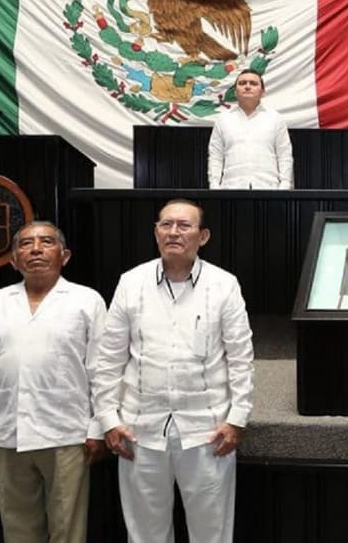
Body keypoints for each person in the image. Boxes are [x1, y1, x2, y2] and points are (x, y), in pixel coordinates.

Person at [92, 199, 255, 543]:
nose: (174, 232)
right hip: (140, 430)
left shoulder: (223, 284)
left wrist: (237, 418)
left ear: (203, 236)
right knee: (145, 535)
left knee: (211, 534)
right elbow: (109, 358)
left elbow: (241, 357)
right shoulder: (131, 282)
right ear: (156, 232)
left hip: (207, 431)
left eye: (184, 225)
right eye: (166, 225)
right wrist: (108, 418)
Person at [0, 221, 108, 543]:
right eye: (26, 244)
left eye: (46, 242)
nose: (36, 249)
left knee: (67, 531)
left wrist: (99, 426)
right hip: (8, 433)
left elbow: (102, 370)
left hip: (67, 434)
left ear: (64, 255)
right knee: (18, 531)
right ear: (14, 260)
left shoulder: (87, 301)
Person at [208, 70, 294, 189]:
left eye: (253, 83)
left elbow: (284, 154)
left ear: (262, 92)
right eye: (242, 83)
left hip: (269, 189)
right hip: (231, 189)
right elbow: (216, 155)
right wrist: (214, 185)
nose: (247, 86)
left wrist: (284, 185)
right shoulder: (223, 119)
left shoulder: (275, 118)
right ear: (235, 91)